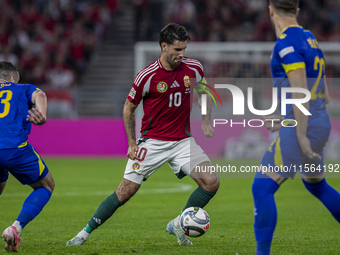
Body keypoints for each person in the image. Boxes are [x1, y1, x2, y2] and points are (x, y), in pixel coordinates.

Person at [67, 23, 219, 246]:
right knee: (125, 191)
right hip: (153, 142)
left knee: (211, 182)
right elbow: (129, 108)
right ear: (164, 46)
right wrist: (131, 142)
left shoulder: (193, 68)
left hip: (183, 141)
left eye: (185, 49)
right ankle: (84, 232)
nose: (182, 54)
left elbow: (204, 92)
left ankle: (178, 223)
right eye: (177, 50)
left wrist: (205, 120)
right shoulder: (146, 76)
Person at [252, 1, 340, 254]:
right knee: (317, 185)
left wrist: (299, 133)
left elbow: (300, 89)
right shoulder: (309, 38)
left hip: (306, 126)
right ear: (297, 11)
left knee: (262, 187)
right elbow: (318, 91)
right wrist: (284, 118)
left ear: (270, 9)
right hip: (318, 119)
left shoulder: (286, 44)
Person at [0, 61, 55, 252]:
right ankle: (15, 228)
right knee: (46, 185)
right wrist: (42, 114)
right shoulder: (21, 87)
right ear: (13, 78)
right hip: (13, 149)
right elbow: (39, 94)